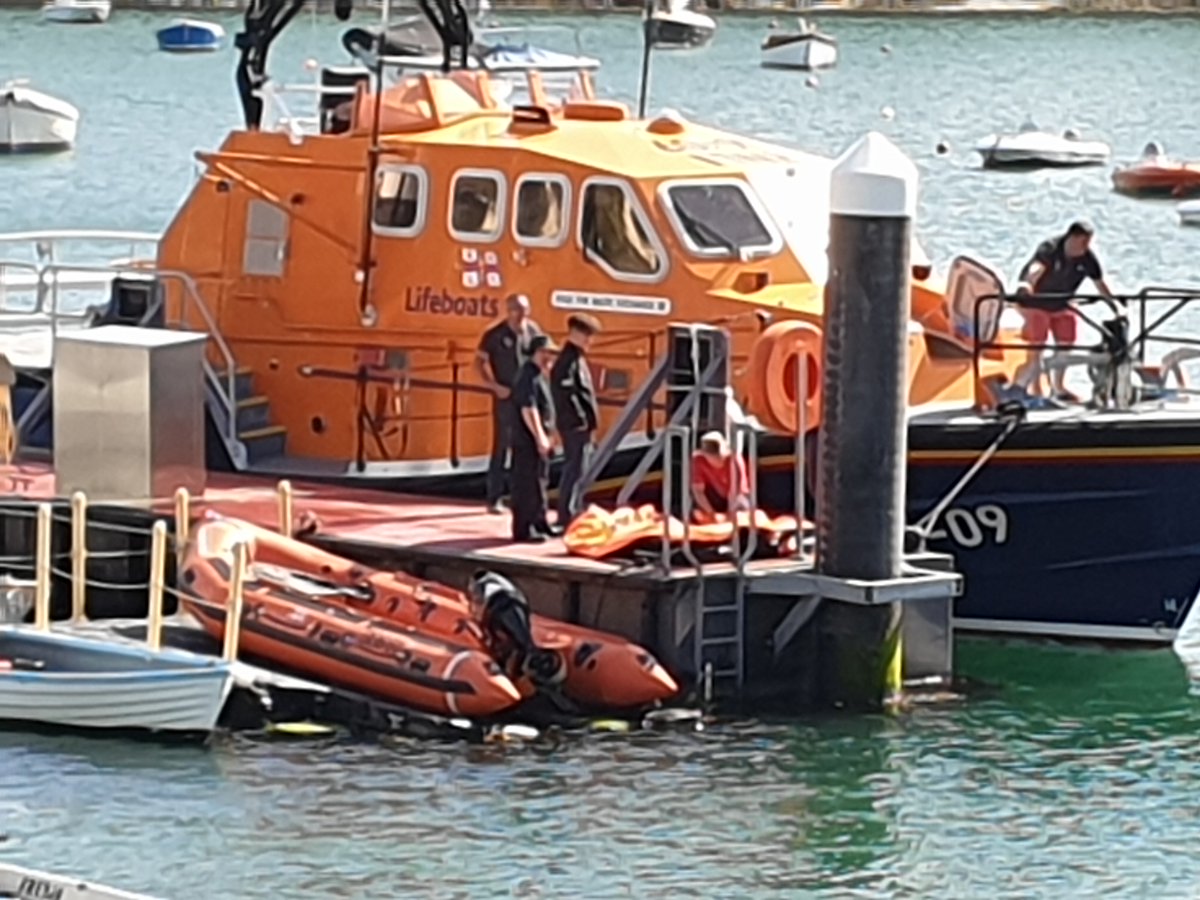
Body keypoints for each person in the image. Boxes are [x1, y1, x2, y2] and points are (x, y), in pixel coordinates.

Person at [1011, 221, 1116, 400]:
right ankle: (1034, 388)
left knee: (1067, 340)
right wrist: (1027, 284)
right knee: (1038, 343)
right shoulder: (1050, 248)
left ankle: (1059, 387)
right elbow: (1036, 269)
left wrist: (1114, 305)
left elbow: (1099, 282)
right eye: (1083, 242)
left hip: (1062, 303)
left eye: (1088, 242)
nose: (1086, 247)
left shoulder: (1087, 258)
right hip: (1036, 302)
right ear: (1072, 238)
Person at [476, 294, 543, 514]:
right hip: (506, 397)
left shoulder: (534, 331)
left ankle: (519, 498)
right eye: (515, 310)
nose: (520, 315)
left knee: (525, 448)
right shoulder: (494, 335)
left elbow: (543, 356)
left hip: (528, 396)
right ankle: (494, 497)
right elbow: (478, 362)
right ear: (508, 310)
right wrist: (494, 386)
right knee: (502, 447)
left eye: (523, 310)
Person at [550, 314, 601, 527]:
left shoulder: (576, 358)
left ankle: (573, 508)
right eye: (587, 336)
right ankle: (566, 513)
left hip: (581, 424)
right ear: (575, 334)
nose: (590, 341)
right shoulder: (567, 361)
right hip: (574, 424)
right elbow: (565, 393)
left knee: (580, 467)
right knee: (574, 468)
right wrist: (580, 419)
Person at [511, 334, 558, 543]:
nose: (550, 357)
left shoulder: (539, 375)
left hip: (539, 439)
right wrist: (540, 437)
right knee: (527, 483)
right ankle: (525, 528)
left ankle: (540, 522)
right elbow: (528, 409)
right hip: (526, 441)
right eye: (546, 352)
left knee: (540, 481)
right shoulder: (527, 376)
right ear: (537, 352)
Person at [690, 431, 751, 520]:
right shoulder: (698, 461)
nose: (719, 459)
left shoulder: (735, 460)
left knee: (742, 513)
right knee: (696, 513)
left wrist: (729, 515)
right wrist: (711, 514)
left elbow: (737, 492)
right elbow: (698, 491)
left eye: (721, 456)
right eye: (714, 456)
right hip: (714, 497)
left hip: (738, 497)